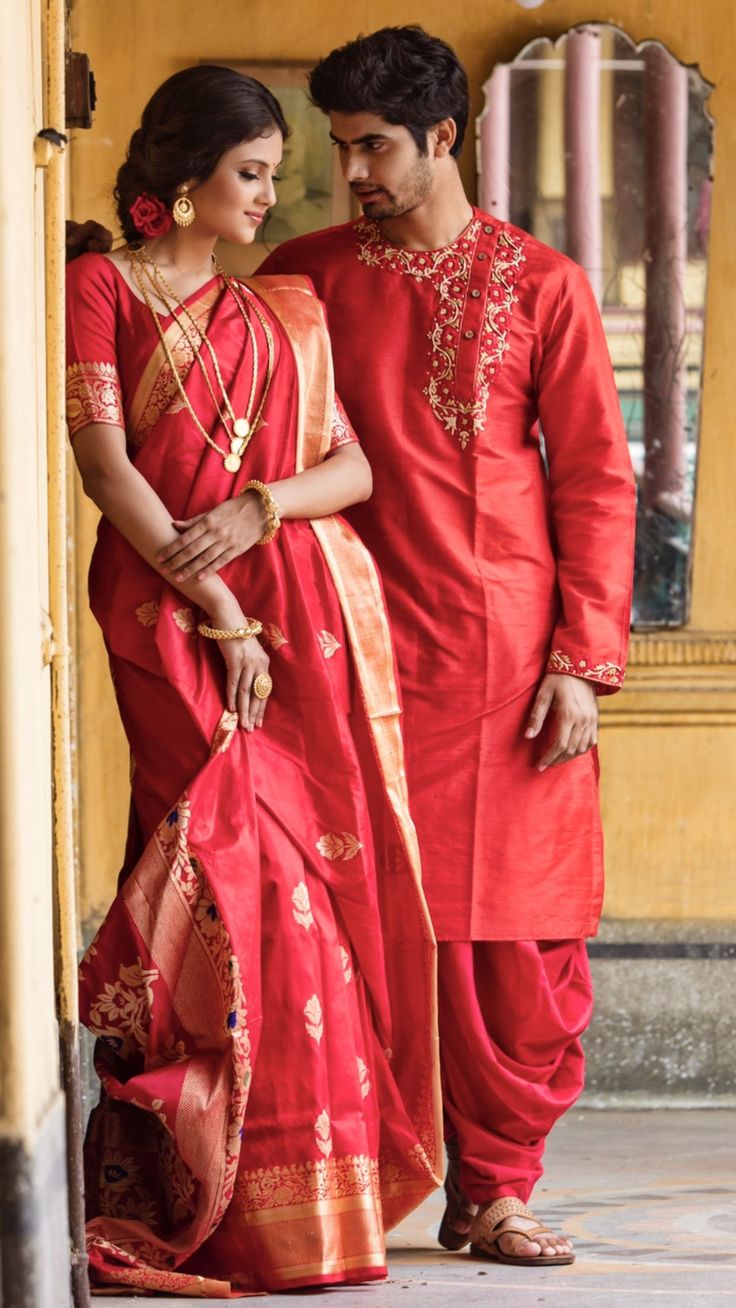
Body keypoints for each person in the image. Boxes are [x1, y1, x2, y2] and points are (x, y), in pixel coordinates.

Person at [245, 26, 634, 1267]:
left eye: (371, 149)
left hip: (512, 661)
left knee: (518, 945)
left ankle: (497, 1190)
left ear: (443, 139)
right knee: (355, 925)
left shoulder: (543, 285)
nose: (350, 172)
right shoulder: (298, 280)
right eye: (338, 148)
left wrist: (582, 658)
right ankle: (351, 1186)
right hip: (347, 649)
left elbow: (594, 481)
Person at [66, 64, 442, 1297]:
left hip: (284, 613)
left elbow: (357, 472)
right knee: (225, 879)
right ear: (182, 179)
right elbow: (108, 468)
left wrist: (257, 508)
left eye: (278, 175)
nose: (272, 198)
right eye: (253, 173)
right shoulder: (98, 290)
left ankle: (299, 1203)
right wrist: (216, 603)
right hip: (167, 614)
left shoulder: (283, 311)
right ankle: (209, 1199)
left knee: (303, 891)